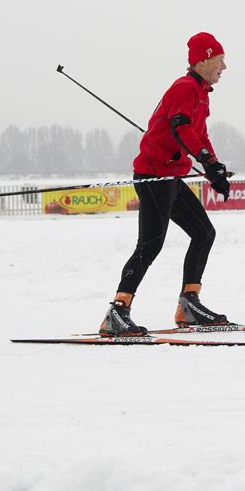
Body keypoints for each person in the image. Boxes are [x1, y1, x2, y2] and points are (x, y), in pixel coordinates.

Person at [99, 32, 232, 336]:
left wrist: (213, 167)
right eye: (220, 60)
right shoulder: (185, 88)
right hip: (153, 176)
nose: (224, 66)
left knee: (203, 232)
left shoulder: (200, 91)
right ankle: (117, 311)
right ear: (202, 60)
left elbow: (199, 134)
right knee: (151, 245)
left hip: (171, 176)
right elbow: (180, 126)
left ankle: (189, 305)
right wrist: (204, 159)